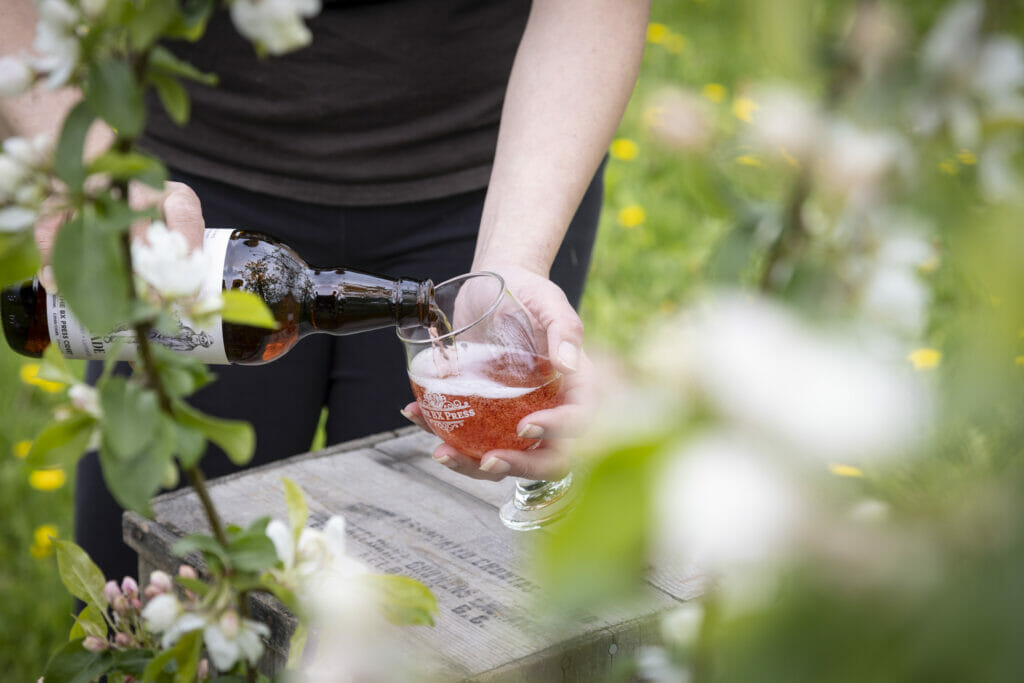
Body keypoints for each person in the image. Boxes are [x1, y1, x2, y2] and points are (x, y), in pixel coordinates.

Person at [1, 0, 650, 582]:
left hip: (496, 168)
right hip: (183, 189)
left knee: (444, 576)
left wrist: (510, 264)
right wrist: (88, 168)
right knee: (158, 564)